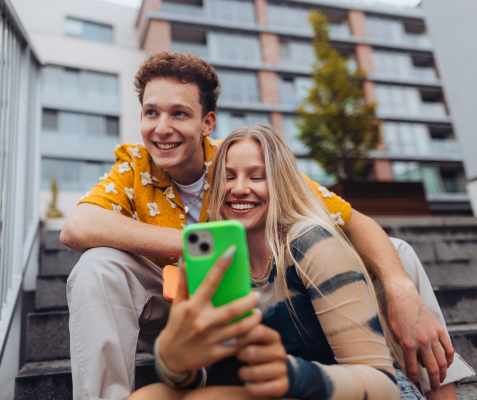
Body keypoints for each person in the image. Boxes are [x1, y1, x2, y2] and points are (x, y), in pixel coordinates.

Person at [60, 52, 473, 400]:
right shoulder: (133, 165)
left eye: (179, 113)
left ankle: (438, 383)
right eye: (151, 112)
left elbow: (350, 218)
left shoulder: (242, 159)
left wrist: (400, 287)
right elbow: (77, 226)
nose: (162, 127)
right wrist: (198, 244)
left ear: (207, 123)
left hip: (261, 291)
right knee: (97, 266)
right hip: (175, 300)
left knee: (395, 253)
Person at [129, 123, 413, 399]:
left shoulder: (309, 241)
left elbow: (384, 386)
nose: (239, 189)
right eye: (228, 177)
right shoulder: (207, 259)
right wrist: (173, 361)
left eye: (257, 176)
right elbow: (196, 378)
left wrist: (293, 375)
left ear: (280, 182)